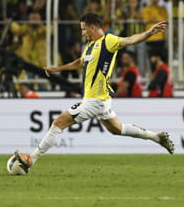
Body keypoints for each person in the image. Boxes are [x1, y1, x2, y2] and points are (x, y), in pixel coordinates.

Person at [10, 13, 175, 173]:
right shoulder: (89, 46)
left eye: (84, 29)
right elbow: (80, 62)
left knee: (58, 123)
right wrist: (57, 69)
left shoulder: (108, 41)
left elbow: (129, 40)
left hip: (94, 100)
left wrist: (148, 33)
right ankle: (157, 137)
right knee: (117, 129)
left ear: (93, 27)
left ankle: (31, 158)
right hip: (102, 100)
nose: (82, 33)